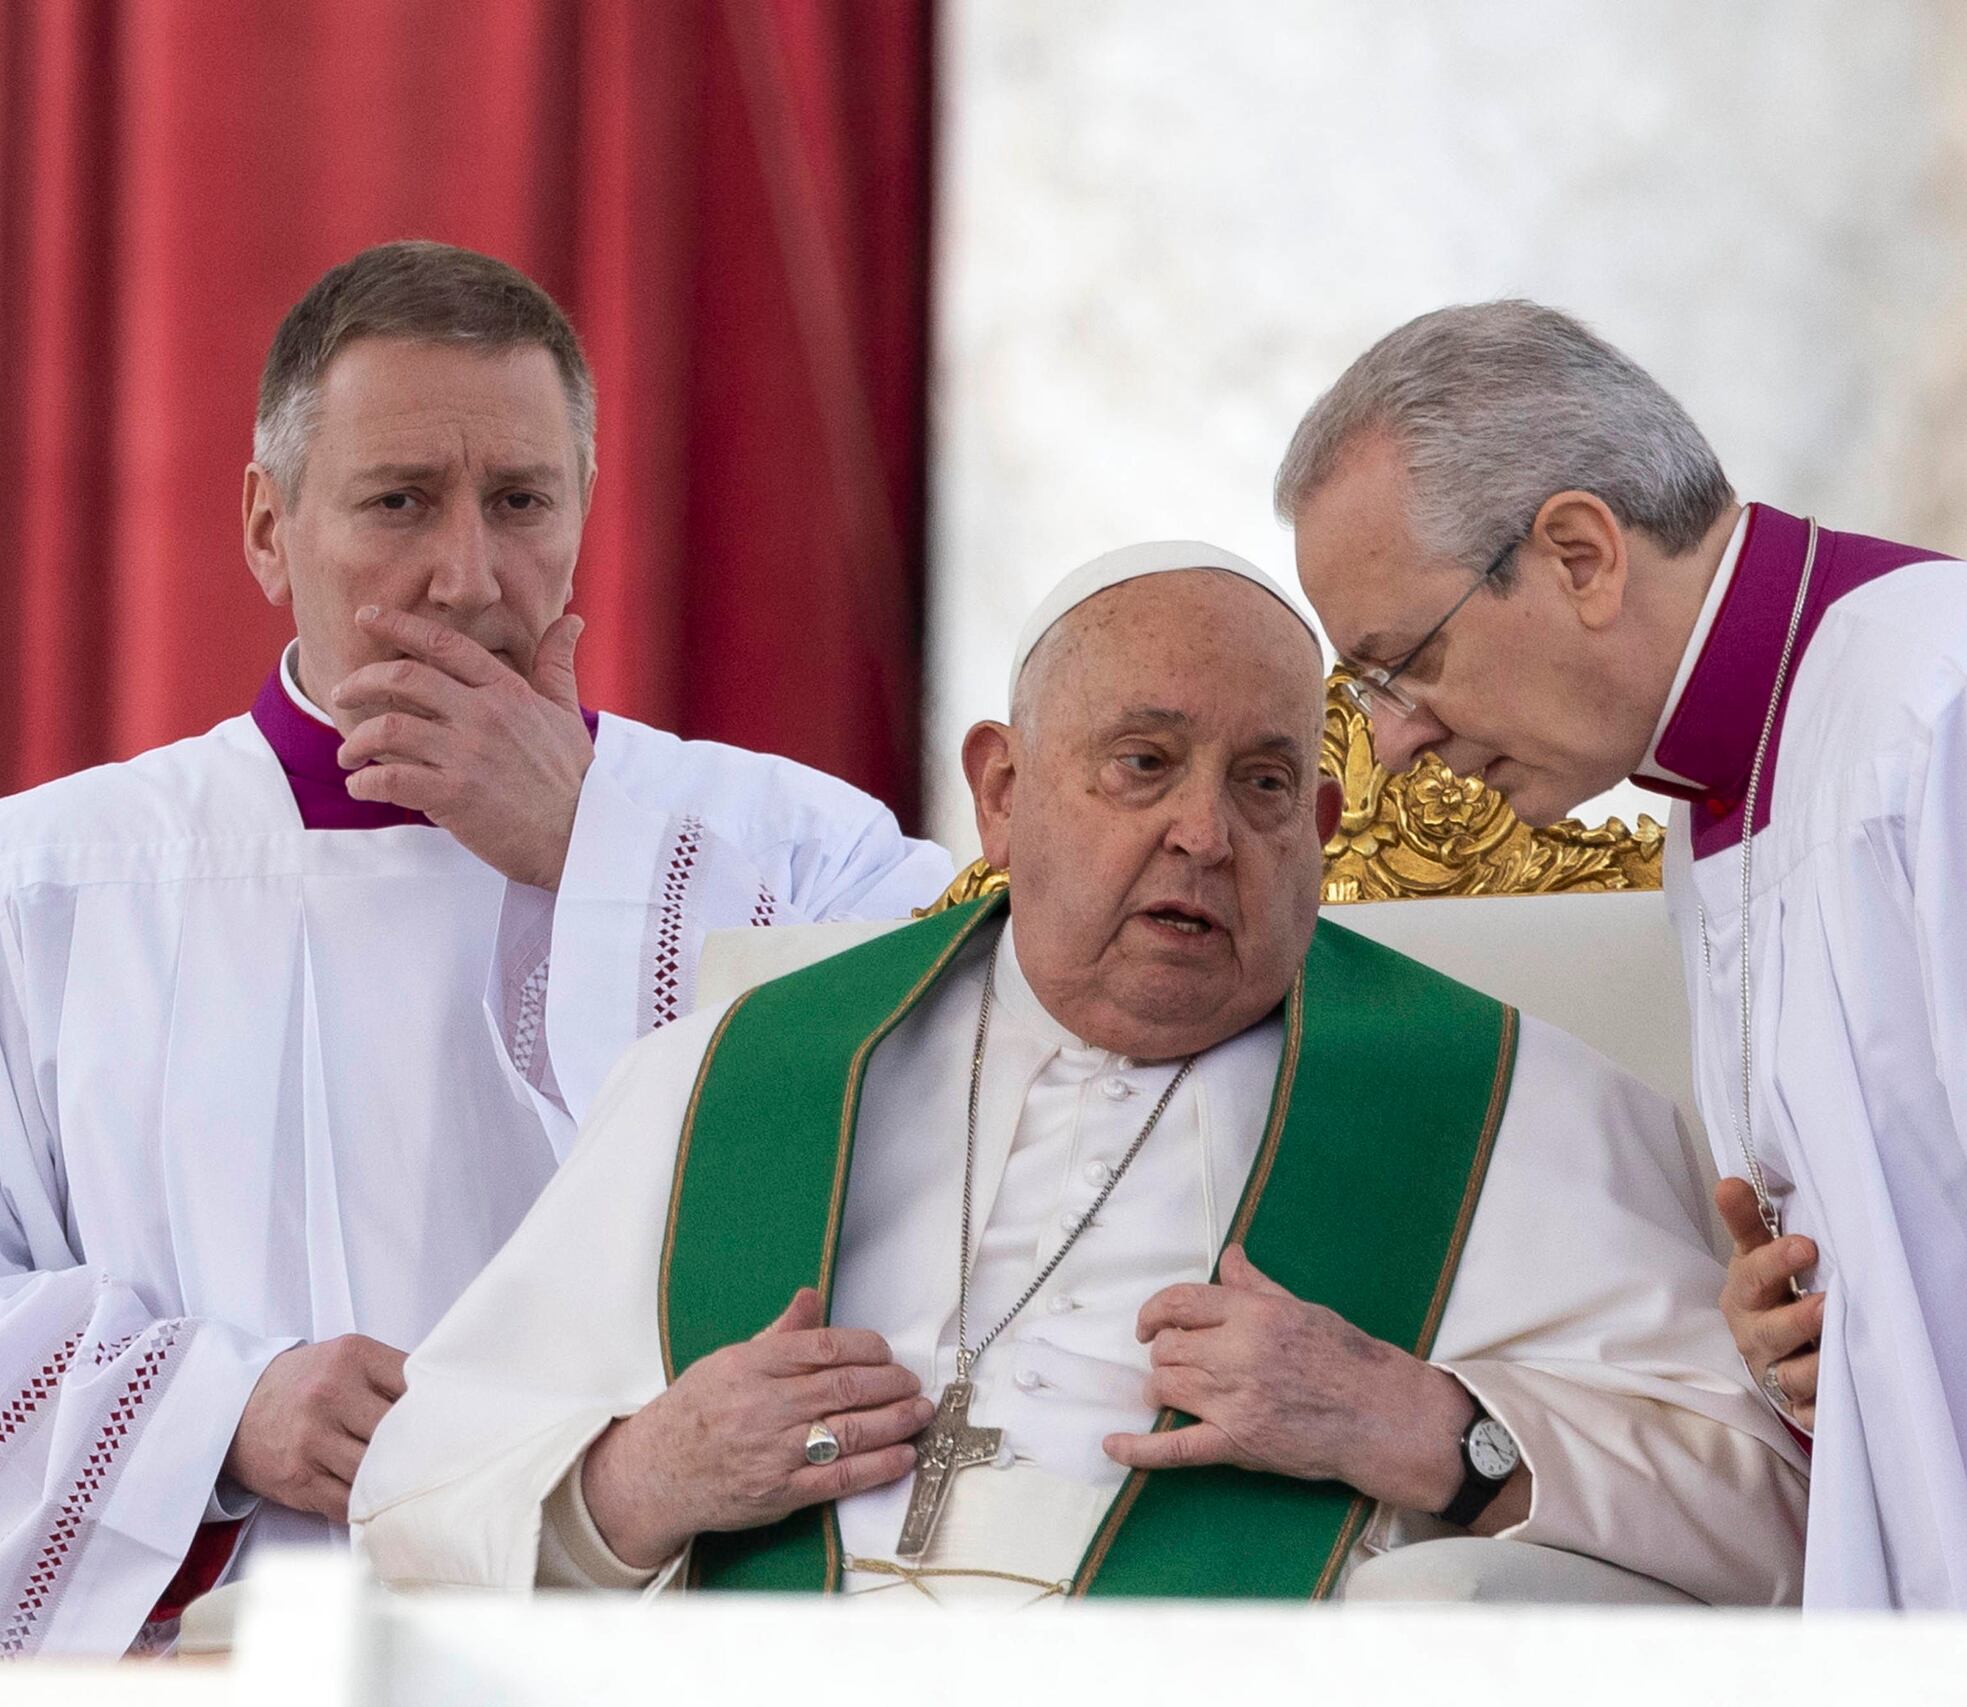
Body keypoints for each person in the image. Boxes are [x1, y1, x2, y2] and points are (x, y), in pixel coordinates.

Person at [351, 544, 1809, 1608]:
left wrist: (1434, 1430)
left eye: (1259, 787)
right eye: (1141, 765)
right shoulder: (743, 1074)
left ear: (1316, 824)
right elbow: (409, 1503)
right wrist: (643, 1478)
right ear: (1000, 793)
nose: (1202, 836)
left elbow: (1783, 1518)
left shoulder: (1504, 1103)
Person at [0, 241, 949, 1656]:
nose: (468, 575)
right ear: (267, 525)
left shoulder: (801, 846)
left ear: (585, 509)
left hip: (664, 1648)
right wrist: (214, 1417)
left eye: (520, 501)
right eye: (398, 504)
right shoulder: (42, 886)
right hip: (233, 1654)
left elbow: (953, 1179)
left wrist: (595, 857)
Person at [1276, 299, 1967, 1614]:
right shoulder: (1725, 807)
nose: (1399, 741)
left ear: (1580, 553)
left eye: (1400, 666)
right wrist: (1810, 1346)